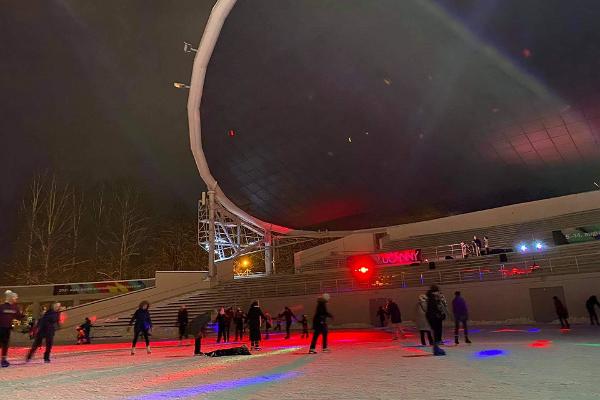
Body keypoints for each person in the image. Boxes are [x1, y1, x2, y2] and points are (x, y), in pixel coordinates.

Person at [0, 290, 24, 368]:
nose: (16, 299)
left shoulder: (15, 308)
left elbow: (19, 317)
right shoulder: (1, 307)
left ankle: (3, 360)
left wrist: (24, 316)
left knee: (5, 344)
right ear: (11, 298)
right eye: (15, 298)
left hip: (7, 329)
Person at [426, 285, 448, 356]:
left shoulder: (432, 298)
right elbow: (434, 309)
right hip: (434, 318)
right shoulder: (433, 299)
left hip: (432, 318)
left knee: (436, 333)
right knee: (436, 332)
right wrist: (439, 315)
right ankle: (436, 349)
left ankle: (436, 348)